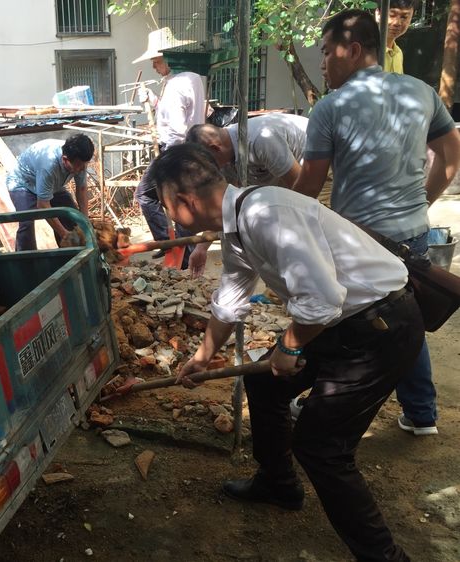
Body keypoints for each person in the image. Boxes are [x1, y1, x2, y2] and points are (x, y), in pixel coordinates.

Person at [156, 143, 423, 562]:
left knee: (322, 448)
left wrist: (287, 346)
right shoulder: (239, 224)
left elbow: (322, 300)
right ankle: (278, 484)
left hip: (379, 329)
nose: (169, 216)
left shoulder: (266, 214)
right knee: (262, 385)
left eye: (166, 205)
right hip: (340, 326)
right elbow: (230, 300)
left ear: (184, 201)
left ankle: (385, 557)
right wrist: (203, 358)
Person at [293, 9, 460, 436]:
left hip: (359, 238)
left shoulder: (330, 108)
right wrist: (420, 202)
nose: (323, 63)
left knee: (337, 314)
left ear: (354, 50)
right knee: (409, 318)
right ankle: (422, 414)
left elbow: (309, 185)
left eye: (328, 53)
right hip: (413, 234)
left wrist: (285, 224)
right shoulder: (421, 92)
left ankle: (317, 398)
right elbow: (451, 157)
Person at [185, 114, 308, 276]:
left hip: (314, 164)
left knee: (302, 232)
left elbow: (303, 190)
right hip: (282, 175)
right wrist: (201, 247)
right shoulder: (225, 158)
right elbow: (226, 206)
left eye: (208, 163)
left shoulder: (261, 139)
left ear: (215, 148)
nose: (210, 169)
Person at [133, 27, 206, 261]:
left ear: (167, 57)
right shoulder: (191, 78)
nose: (155, 66)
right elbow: (178, 114)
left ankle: (171, 244)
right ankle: (182, 252)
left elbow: (175, 127)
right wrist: (153, 100)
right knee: (182, 200)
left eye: (156, 61)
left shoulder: (174, 86)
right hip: (192, 149)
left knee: (145, 194)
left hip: (175, 150)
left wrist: (168, 160)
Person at [6, 134, 93, 251]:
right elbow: (43, 205)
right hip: (23, 183)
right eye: (79, 166)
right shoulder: (48, 165)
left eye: (84, 164)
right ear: (65, 160)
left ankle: (69, 258)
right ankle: (24, 263)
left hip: (50, 185)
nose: (82, 169)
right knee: (27, 222)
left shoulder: (79, 161)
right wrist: (64, 234)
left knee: (72, 218)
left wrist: (85, 222)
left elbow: (81, 189)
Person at [376, 0, 416, 74]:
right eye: (392, 15)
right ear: (378, 14)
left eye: (404, 17)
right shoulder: (368, 52)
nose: (397, 23)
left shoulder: (398, 52)